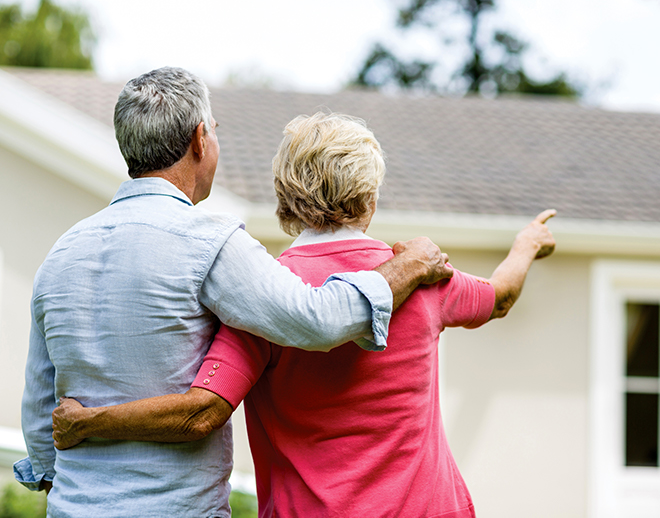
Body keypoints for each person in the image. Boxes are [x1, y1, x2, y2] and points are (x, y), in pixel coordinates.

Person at [52, 113, 556, 517]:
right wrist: (527, 243)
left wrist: (88, 420)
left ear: (285, 195)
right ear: (370, 194)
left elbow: (201, 411)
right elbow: (502, 295)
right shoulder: (423, 277)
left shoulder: (262, 297)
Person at [16, 70, 452, 518]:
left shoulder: (62, 254)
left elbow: (39, 406)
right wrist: (408, 265)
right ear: (200, 140)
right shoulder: (209, 243)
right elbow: (319, 320)